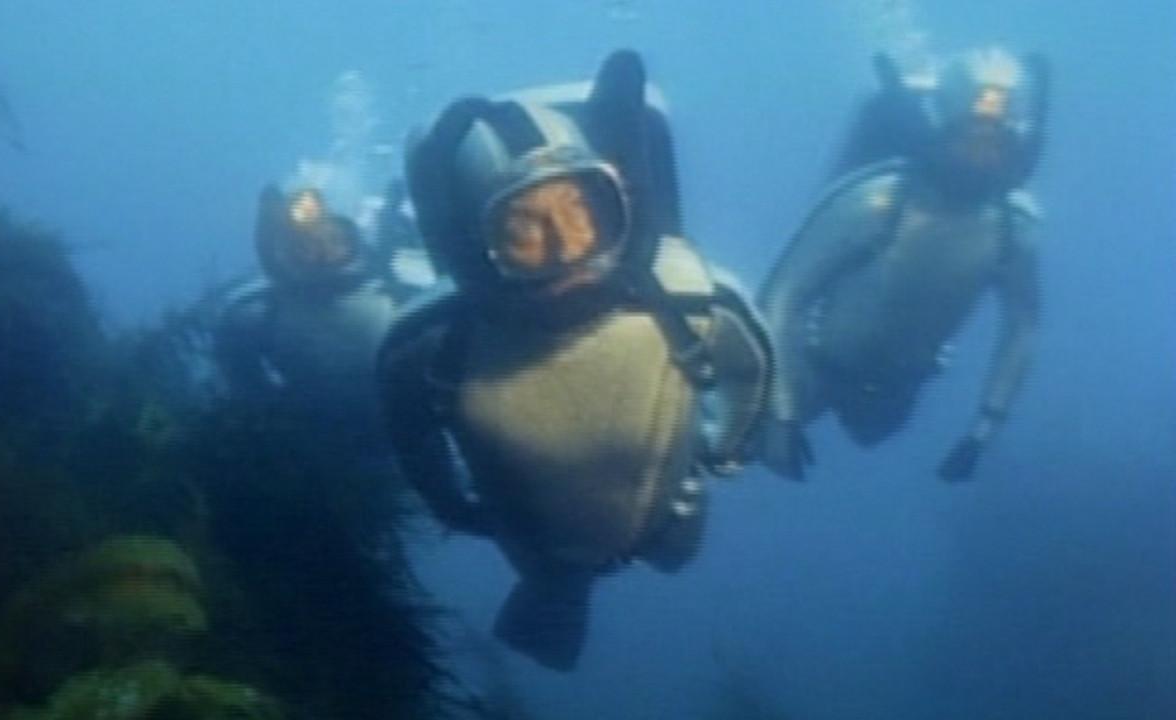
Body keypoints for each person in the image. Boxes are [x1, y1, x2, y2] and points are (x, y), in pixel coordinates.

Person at [379, 50, 773, 670]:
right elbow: (412, 436)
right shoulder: (433, 340)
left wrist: (727, 448)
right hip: (545, 552)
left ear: (615, 200)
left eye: (581, 211)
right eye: (523, 229)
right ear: (476, 244)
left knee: (669, 555)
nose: (564, 246)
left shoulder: (686, 293)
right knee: (566, 582)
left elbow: (751, 369)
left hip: (665, 524)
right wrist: (729, 447)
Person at [756, 47, 1049, 481]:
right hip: (815, 368)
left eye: (995, 143)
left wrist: (983, 430)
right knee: (734, 449)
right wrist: (779, 408)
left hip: (895, 392)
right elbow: (783, 297)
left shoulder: (1011, 229)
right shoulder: (876, 202)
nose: (982, 156)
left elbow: (1022, 326)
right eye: (972, 137)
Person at [213, 176, 429, 446]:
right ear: (283, 255)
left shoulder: (400, 283)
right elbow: (248, 389)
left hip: (417, 430)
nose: (326, 253)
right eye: (306, 248)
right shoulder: (257, 316)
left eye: (335, 240)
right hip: (330, 446)